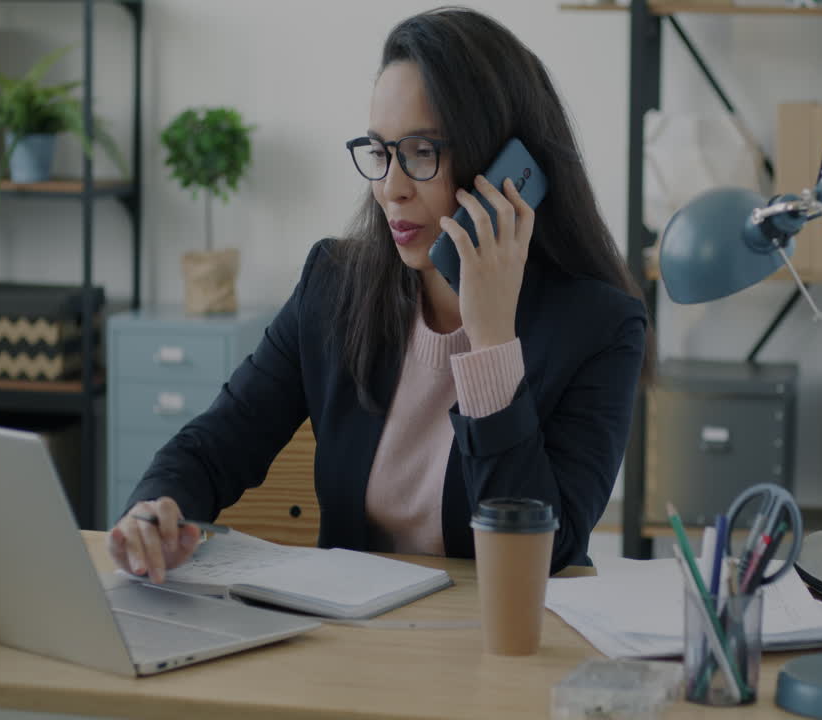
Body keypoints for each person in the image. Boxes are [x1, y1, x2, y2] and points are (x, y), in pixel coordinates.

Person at [109, 6, 649, 581]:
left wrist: (491, 341)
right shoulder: (334, 285)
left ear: (504, 169)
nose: (390, 189)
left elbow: (548, 552)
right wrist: (154, 509)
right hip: (356, 647)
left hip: (502, 644)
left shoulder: (600, 327)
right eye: (380, 152)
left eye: (421, 152)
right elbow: (218, 443)